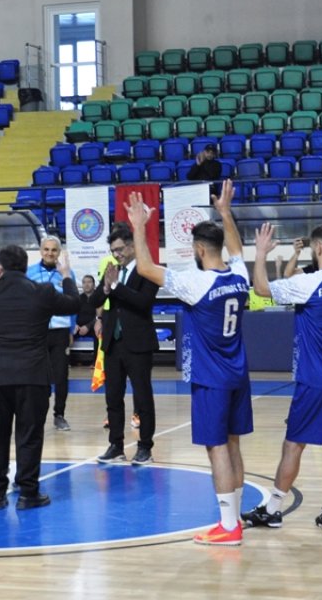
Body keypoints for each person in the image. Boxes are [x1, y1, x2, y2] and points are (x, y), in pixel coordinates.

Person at [128, 180, 252, 546]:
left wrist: (139, 227)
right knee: (233, 445)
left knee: (217, 448)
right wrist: (227, 214)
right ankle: (236, 517)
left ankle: (229, 527)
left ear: (199, 249)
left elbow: (146, 267)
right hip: (239, 374)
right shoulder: (239, 276)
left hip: (212, 378)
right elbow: (238, 250)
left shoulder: (195, 283)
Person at [242, 220, 322, 532]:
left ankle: (273, 509)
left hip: (316, 380)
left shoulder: (309, 283)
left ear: (319, 248)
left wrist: (259, 254)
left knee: (293, 446)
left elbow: (261, 289)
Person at [0, 245, 81, 510]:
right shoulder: (42, 292)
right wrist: (66, 275)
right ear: (24, 266)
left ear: (1, 267)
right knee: (29, 435)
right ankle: (27, 493)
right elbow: (74, 304)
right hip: (32, 375)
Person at [87, 225, 161, 464]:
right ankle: (115, 445)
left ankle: (145, 447)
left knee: (142, 397)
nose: (116, 254)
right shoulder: (112, 270)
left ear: (131, 246)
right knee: (113, 397)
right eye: (113, 250)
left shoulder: (147, 269)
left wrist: (117, 287)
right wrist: (107, 286)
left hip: (138, 342)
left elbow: (143, 302)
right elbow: (95, 300)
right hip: (112, 341)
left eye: (119, 249)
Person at [27, 236, 76, 431]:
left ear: (59, 252)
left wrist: (71, 329)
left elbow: (73, 302)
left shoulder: (66, 273)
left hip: (60, 332)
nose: (49, 253)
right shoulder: (29, 273)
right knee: (37, 376)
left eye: (54, 250)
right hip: (37, 333)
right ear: (40, 250)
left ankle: (59, 415)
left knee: (62, 375)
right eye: (46, 249)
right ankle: (37, 415)